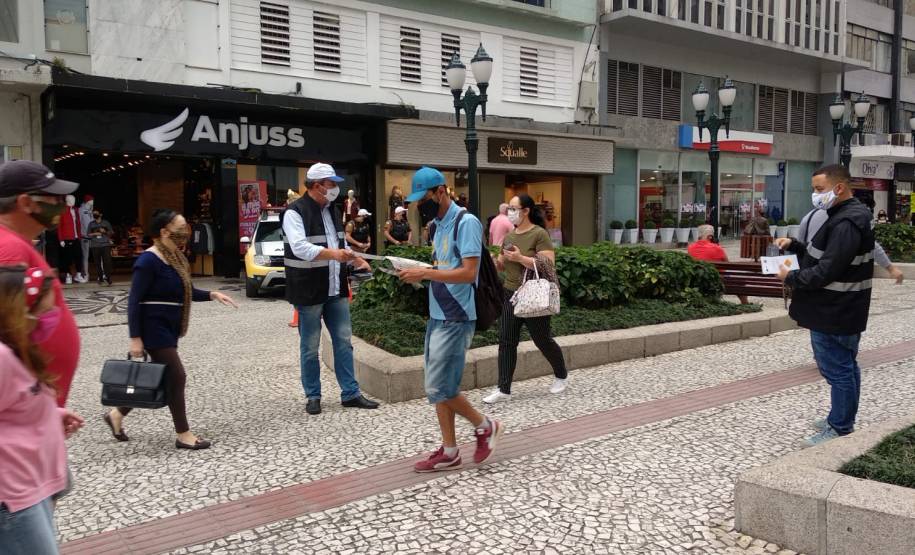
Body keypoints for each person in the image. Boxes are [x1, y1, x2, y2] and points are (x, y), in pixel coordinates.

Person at [104, 209, 238, 450]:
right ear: (164, 232)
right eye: (180, 228)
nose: (185, 233)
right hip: (153, 328)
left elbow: (186, 291)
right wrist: (135, 338)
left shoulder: (177, 259)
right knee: (177, 376)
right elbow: (134, 301)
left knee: (160, 377)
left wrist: (212, 294)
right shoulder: (148, 260)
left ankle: (117, 414)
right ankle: (183, 434)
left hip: (170, 327)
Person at [398, 166, 503, 472]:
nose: (421, 205)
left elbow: (469, 273)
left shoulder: (465, 222)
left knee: (439, 387)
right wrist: (416, 271)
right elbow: (443, 266)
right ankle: (450, 451)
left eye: (424, 198)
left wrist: (425, 273)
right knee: (441, 387)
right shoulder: (436, 226)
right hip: (438, 314)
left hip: (457, 316)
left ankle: (485, 427)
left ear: (441, 191)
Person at [775, 165, 875, 447]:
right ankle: (841, 417)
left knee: (838, 370)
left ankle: (840, 426)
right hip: (842, 308)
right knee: (846, 367)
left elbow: (826, 270)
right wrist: (795, 245)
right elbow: (826, 255)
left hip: (834, 310)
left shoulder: (846, 222)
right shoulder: (848, 215)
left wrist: (790, 276)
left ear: (839, 188)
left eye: (820, 189)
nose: (815, 195)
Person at [0, 265, 85, 555]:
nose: (51, 319)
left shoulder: (18, 348)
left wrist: (49, 416)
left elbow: (16, 401)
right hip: (13, 496)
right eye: (45, 311)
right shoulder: (2, 357)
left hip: (30, 486)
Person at [282, 163, 378, 415]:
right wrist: (335, 254)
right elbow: (300, 248)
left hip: (336, 288)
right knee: (310, 347)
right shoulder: (294, 212)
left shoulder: (333, 211)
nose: (336, 188)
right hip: (308, 290)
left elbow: (340, 244)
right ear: (317, 186)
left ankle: (351, 393)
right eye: (331, 183)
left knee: (344, 342)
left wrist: (355, 259)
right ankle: (313, 395)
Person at [0, 160, 81, 407]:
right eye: (53, 198)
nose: (60, 205)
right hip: (25, 413)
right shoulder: (9, 250)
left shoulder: (16, 243)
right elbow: (8, 334)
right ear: (26, 202)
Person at [484, 194, 568, 404]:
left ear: (526, 211)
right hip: (510, 294)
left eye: (514, 208)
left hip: (532, 295)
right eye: (509, 209)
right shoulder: (509, 236)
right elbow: (502, 265)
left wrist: (520, 258)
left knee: (542, 339)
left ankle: (561, 374)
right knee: (506, 341)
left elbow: (548, 264)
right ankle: (503, 389)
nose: (510, 212)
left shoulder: (539, 234)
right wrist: (493, 261)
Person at [796, 206, 903, 285]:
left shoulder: (809, 217)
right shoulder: (851, 218)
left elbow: (799, 249)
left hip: (812, 279)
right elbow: (871, 245)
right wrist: (890, 268)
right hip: (836, 281)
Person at [688, 224, 749, 304]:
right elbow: (728, 264)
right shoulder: (716, 248)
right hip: (717, 280)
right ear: (710, 236)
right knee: (739, 283)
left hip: (697, 280)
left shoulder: (690, 247)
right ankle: (745, 303)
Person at [57, 195, 86, 284]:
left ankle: (78, 275)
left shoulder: (76, 210)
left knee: (79, 256)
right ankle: (68, 275)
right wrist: (61, 239)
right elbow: (59, 226)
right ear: (67, 201)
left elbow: (78, 224)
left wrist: (79, 236)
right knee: (67, 258)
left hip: (76, 238)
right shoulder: (62, 211)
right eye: (71, 199)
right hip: (67, 238)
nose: (73, 201)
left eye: (74, 199)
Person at [87, 209, 114, 285]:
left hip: (105, 245)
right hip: (95, 245)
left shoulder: (106, 223)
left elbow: (111, 232)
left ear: (100, 214)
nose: (94, 215)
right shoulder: (91, 224)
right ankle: (100, 278)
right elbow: (88, 234)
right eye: (93, 214)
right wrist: (95, 234)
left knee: (107, 262)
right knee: (97, 263)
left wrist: (105, 231)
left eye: (96, 213)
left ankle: (108, 278)